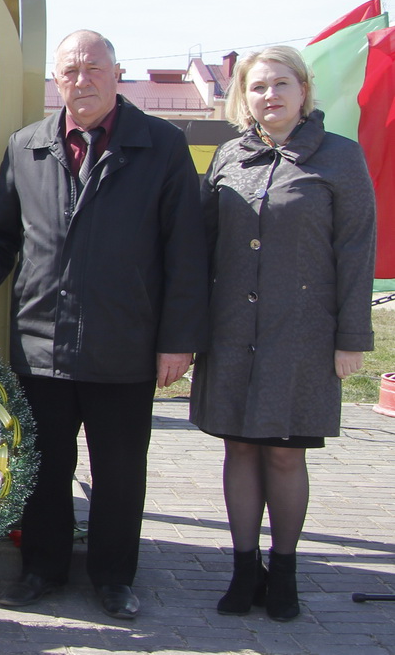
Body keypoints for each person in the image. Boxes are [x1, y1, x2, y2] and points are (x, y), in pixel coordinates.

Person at [0, 30, 210, 619]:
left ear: (117, 74)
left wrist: (178, 340)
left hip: (126, 343)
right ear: (57, 81)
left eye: (94, 68)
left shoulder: (163, 146)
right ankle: (43, 569)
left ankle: (114, 577)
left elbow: (186, 253)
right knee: (45, 468)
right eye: (70, 71)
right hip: (42, 342)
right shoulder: (28, 147)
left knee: (120, 473)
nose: (82, 80)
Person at [190, 46, 375, 622]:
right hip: (230, 333)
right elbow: (203, 247)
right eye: (257, 86)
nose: (269, 95)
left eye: (281, 84)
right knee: (239, 448)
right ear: (242, 97)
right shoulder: (228, 158)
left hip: (302, 336)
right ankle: (245, 571)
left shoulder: (340, 158)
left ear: (303, 91)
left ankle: (286, 570)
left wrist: (352, 337)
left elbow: (355, 251)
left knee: (285, 456)